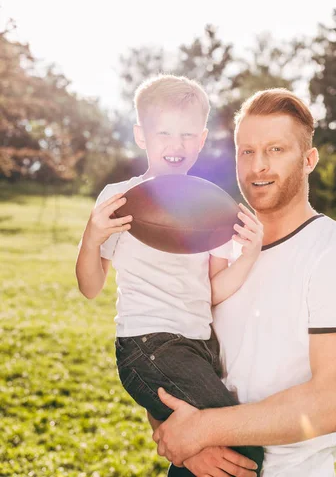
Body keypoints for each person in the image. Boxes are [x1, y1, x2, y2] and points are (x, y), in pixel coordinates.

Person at [152, 88, 336, 477]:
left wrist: (203, 431)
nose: (259, 166)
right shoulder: (221, 251)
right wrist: (184, 444)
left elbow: (333, 402)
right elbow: (163, 347)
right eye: (247, 151)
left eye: (276, 150)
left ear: (309, 159)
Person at [75, 75, 265, 477]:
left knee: (205, 450)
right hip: (150, 345)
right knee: (240, 447)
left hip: (199, 346)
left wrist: (247, 257)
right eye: (163, 133)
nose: (175, 145)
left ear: (201, 139)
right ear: (141, 136)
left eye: (186, 134)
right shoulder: (120, 198)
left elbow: (212, 292)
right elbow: (90, 288)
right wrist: (91, 238)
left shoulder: (210, 207)